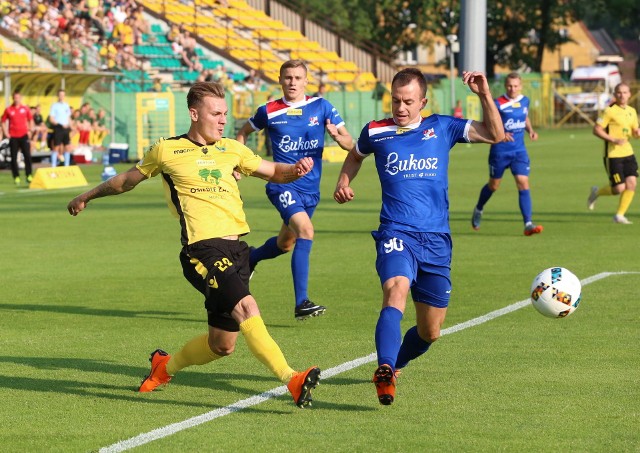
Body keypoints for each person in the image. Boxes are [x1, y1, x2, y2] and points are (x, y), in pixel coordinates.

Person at [67, 82, 321, 408]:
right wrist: (87, 195)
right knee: (247, 309)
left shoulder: (232, 148)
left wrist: (295, 170)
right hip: (202, 250)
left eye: (225, 114)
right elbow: (125, 181)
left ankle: (164, 366)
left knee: (222, 345)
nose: (222, 121)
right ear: (194, 113)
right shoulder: (166, 150)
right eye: (216, 114)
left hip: (237, 251)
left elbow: (273, 171)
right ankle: (292, 379)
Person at [333, 68, 504, 405]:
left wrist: (484, 95)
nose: (401, 107)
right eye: (396, 100)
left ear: (423, 101)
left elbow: (494, 134)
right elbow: (355, 155)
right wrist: (343, 180)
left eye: (408, 101)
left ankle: (395, 364)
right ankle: (384, 367)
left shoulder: (442, 126)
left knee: (430, 332)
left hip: (437, 240)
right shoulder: (376, 131)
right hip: (396, 232)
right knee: (395, 290)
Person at [236, 60, 354, 320]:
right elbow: (242, 133)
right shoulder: (268, 110)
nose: (292, 82)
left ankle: (250, 258)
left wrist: (337, 136)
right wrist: (239, 163)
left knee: (284, 244)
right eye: (288, 77)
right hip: (282, 184)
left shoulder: (322, 106)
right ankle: (301, 302)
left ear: (305, 81)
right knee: (306, 231)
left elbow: (350, 143)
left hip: (311, 190)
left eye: (297, 78)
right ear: (280, 80)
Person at [470, 72, 542, 236]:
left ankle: (528, 223)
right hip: (500, 151)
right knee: (493, 185)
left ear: (521, 86)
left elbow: (525, 117)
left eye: (516, 86)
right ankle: (479, 208)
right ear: (505, 86)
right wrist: (501, 135)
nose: (512, 89)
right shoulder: (497, 103)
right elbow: (489, 123)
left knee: (523, 182)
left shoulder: (525, 101)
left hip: (519, 151)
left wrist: (530, 130)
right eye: (510, 85)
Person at [587, 82, 640, 224]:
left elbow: (634, 132)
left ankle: (619, 215)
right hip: (612, 155)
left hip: (628, 153)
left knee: (632, 184)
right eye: (619, 92)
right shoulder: (609, 111)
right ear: (615, 94)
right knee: (618, 188)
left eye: (625, 92)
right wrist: (613, 139)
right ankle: (596, 193)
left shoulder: (632, 111)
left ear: (629, 94)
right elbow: (596, 129)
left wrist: (637, 133)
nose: (622, 95)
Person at [1, 91, 34, 185]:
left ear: (20, 98)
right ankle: (16, 177)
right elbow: (3, 121)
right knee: (14, 157)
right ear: (13, 98)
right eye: (15, 98)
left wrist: (30, 130)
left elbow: (30, 119)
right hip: (13, 136)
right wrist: (6, 132)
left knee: (27, 156)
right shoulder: (9, 109)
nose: (17, 99)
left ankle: (29, 175)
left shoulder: (25, 109)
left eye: (18, 98)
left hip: (23, 135)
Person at [49, 89, 72, 167]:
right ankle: (53, 165)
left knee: (67, 147)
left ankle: (67, 165)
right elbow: (51, 118)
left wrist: (70, 125)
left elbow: (68, 117)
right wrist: (59, 124)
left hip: (66, 128)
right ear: (58, 96)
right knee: (56, 146)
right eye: (60, 95)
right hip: (58, 128)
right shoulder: (54, 105)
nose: (61, 96)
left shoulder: (66, 105)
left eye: (63, 95)